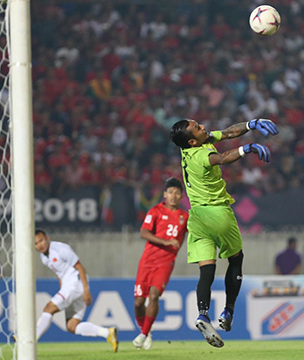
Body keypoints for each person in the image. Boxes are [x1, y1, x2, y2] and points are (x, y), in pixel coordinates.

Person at [169, 118, 278, 348]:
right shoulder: (200, 155)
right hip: (217, 213)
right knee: (236, 259)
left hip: (197, 217)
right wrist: (247, 148)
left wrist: (251, 124)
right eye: (197, 128)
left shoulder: (192, 147)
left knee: (206, 269)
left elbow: (227, 133)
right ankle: (228, 311)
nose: (202, 126)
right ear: (192, 140)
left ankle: (202, 314)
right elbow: (223, 158)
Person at [33, 229, 118, 352]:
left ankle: (31, 340)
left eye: (41, 240)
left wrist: (86, 290)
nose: (40, 245)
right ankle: (107, 333)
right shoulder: (44, 258)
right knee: (72, 326)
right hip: (69, 287)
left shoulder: (61, 249)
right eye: (36, 243)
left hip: (75, 285)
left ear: (47, 238)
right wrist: (63, 288)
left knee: (48, 308)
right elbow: (60, 273)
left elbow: (80, 268)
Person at [132, 177, 189, 350]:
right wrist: (165, 242)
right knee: (139, 302)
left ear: (181, 196)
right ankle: (146, 331)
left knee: (154, 295)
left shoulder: (184, 216)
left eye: (177, 193)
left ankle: (143, 335)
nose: (173, 195)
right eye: (170, 192)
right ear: (165, 194)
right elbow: (143, 233)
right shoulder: (155, 211)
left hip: (165, 263)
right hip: (147, 261)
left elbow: (192, 234)